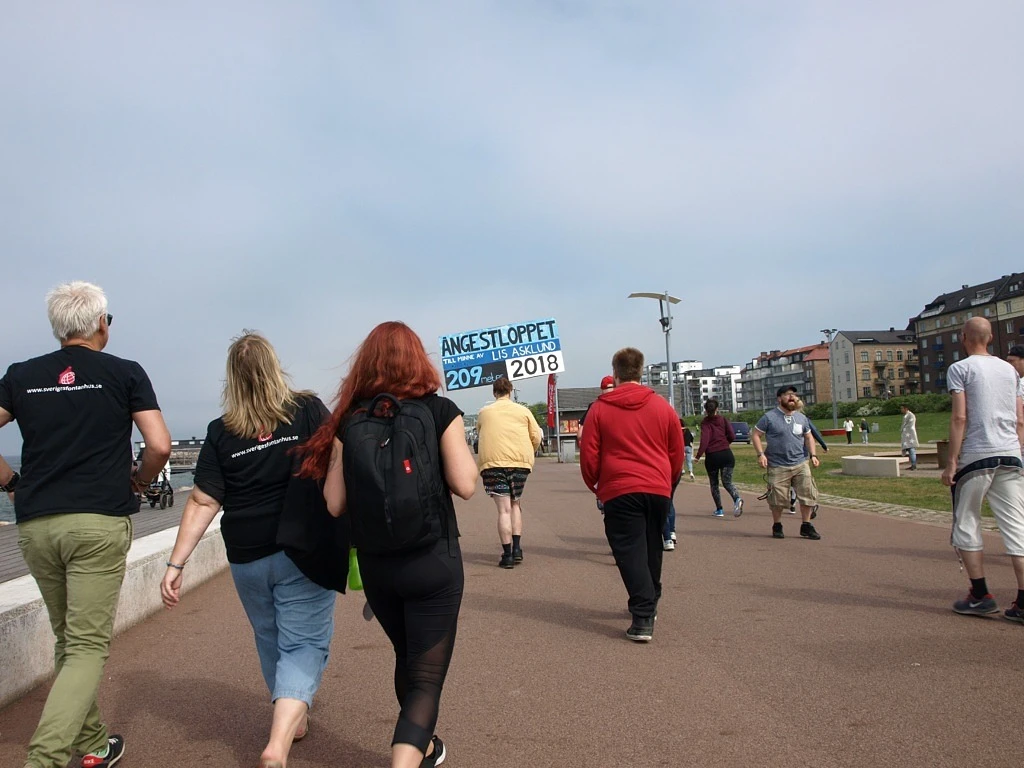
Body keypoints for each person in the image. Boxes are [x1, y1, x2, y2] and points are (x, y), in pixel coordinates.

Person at [0, 281, 171, 768]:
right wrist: (139, 481)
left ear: (58, 328)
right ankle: (45, 758)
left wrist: (12, 484)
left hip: (36, 524)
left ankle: (94, 741)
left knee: (69, 641)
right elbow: (158, 444)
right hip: (97, 521)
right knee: (88, 647)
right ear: (101, 324)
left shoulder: (21, 375)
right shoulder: (124, 373)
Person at [298, 321, 478, 768]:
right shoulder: (440, 410)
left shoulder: (350, 420)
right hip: (434, 561)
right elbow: (466, 485)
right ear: (418, 359)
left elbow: (335, 504)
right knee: (427, 677)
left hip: (380, 568)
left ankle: (427, 746)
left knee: (408, 658)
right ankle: (407, 756)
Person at [160, 333, 340, 768]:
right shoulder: (308, 410)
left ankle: (293, 721)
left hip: (246, 556)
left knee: (270, 638)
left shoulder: (221, 432)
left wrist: (176, 563)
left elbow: (204, 499)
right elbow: (340, 459)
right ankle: (278, 745)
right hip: (302, 550)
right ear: (275, 368)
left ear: (233, 380)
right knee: (305, 644)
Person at [579, 347, 683, 642]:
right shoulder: (662, 407)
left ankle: (642, 615)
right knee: (652, 544)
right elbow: (675, 449)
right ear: (641, 371)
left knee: (628, 550)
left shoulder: (600, 408)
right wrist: (669, 481)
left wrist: (595, 484)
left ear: (615, 372)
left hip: (619, 487)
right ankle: (651, 596)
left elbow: (589, 453)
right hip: (657, 486)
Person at [941, 317, 1024, 623]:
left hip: (977, 455)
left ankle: (980, 595)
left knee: (967, 521)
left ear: (964, 337)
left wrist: (951, 462)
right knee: (1017, 526)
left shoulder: (960, 368)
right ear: (990, 338)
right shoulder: (1009, 370)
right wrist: (1018, 451)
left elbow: (960, 417)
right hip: (1011, 455)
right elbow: (1019, 419)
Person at [475, 377, 543, 568]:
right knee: (515, 504)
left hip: (493, 464)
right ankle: (517, 549)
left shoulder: (484, 412)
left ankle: (507, 556)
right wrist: (529, 451)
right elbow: (536, 436)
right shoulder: (523, 411)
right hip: (520, 463)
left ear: (494, 393)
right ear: (510, 391)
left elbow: (479, 431)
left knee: (503, 509)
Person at [752, 386, 822, 540]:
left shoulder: (801, 418)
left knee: (808, 494)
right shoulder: (769, 417)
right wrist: (761, 454)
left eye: (794, 395)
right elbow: (756, 434)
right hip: (778, 465)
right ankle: (777, 525)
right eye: (788, 394)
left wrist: (813, 455)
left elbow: (809, 437)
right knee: (777, 499)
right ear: (779, 398)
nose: (792, 397)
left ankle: (806, 525)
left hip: (800, 463)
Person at [694, 399, 743, 518]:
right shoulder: (723, 419)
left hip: (712, 457)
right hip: (726, 454)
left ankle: (719, 509)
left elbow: (705, 440)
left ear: (705, 410)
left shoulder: (705, 423)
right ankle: (737, 498)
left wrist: (698, 455)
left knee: (714, 484)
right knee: (727, 482)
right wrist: (726, 443)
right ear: (717, 409)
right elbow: (732, 435)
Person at [900, 404, 919, 471]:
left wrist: (904, 431)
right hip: (907, 435)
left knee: (911, 450)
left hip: (910, 436)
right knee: (910, 450)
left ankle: (914, 465)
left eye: (902, 408)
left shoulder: (911, 415)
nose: (901, 410)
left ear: (906, 408)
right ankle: (913, 465)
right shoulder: (906, 416)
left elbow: (910, 426)